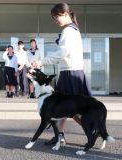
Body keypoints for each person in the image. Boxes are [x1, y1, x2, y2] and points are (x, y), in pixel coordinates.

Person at [33, 2, 92, 145]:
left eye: (56, 17)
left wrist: (42, 62)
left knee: (75, 110)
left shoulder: (69, 31)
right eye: (53, 18)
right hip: (71, 72)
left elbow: (62, 53)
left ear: (65, 14)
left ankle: (93, 131)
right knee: (64, 109)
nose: (55, 21)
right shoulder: (73, 30)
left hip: (70, 74)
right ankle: (61, 136)